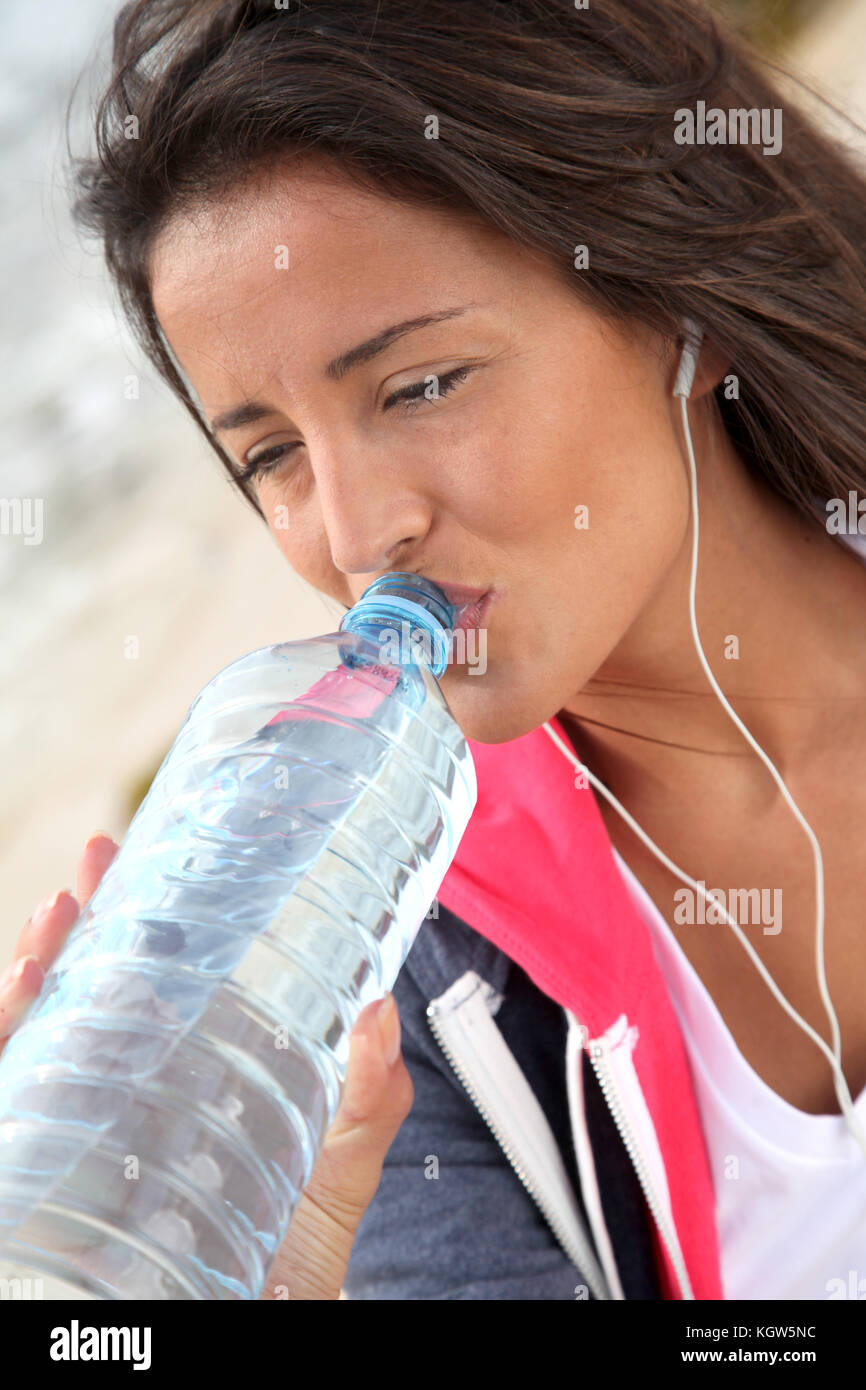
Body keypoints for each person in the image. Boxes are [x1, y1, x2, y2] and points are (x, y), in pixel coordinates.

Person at [6, 0, 866, 1299]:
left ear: (678, 306)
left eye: (419, 386)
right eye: (273, 454)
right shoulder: (405, 991)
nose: (359, 532)